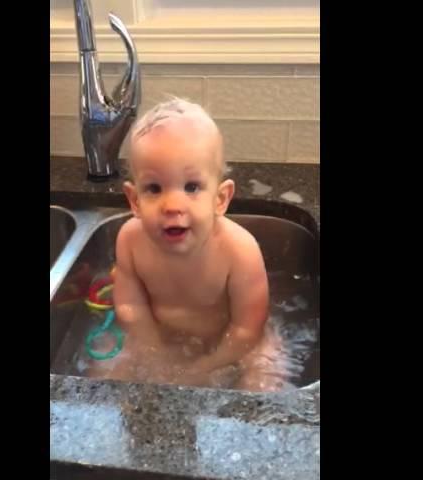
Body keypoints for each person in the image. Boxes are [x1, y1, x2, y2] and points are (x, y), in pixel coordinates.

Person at [87, 98, 291, 391]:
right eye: (154, 188)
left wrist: (206, 367)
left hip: (232, 342)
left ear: (220, 199)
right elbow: (132, 308)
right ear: (134, 200)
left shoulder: (239, 250)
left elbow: (247, 329)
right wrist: (155, 355)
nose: (172, 205)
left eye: (192, 187)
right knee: (105, 375)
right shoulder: (130, 239)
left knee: (264, 375)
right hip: (160, 337)